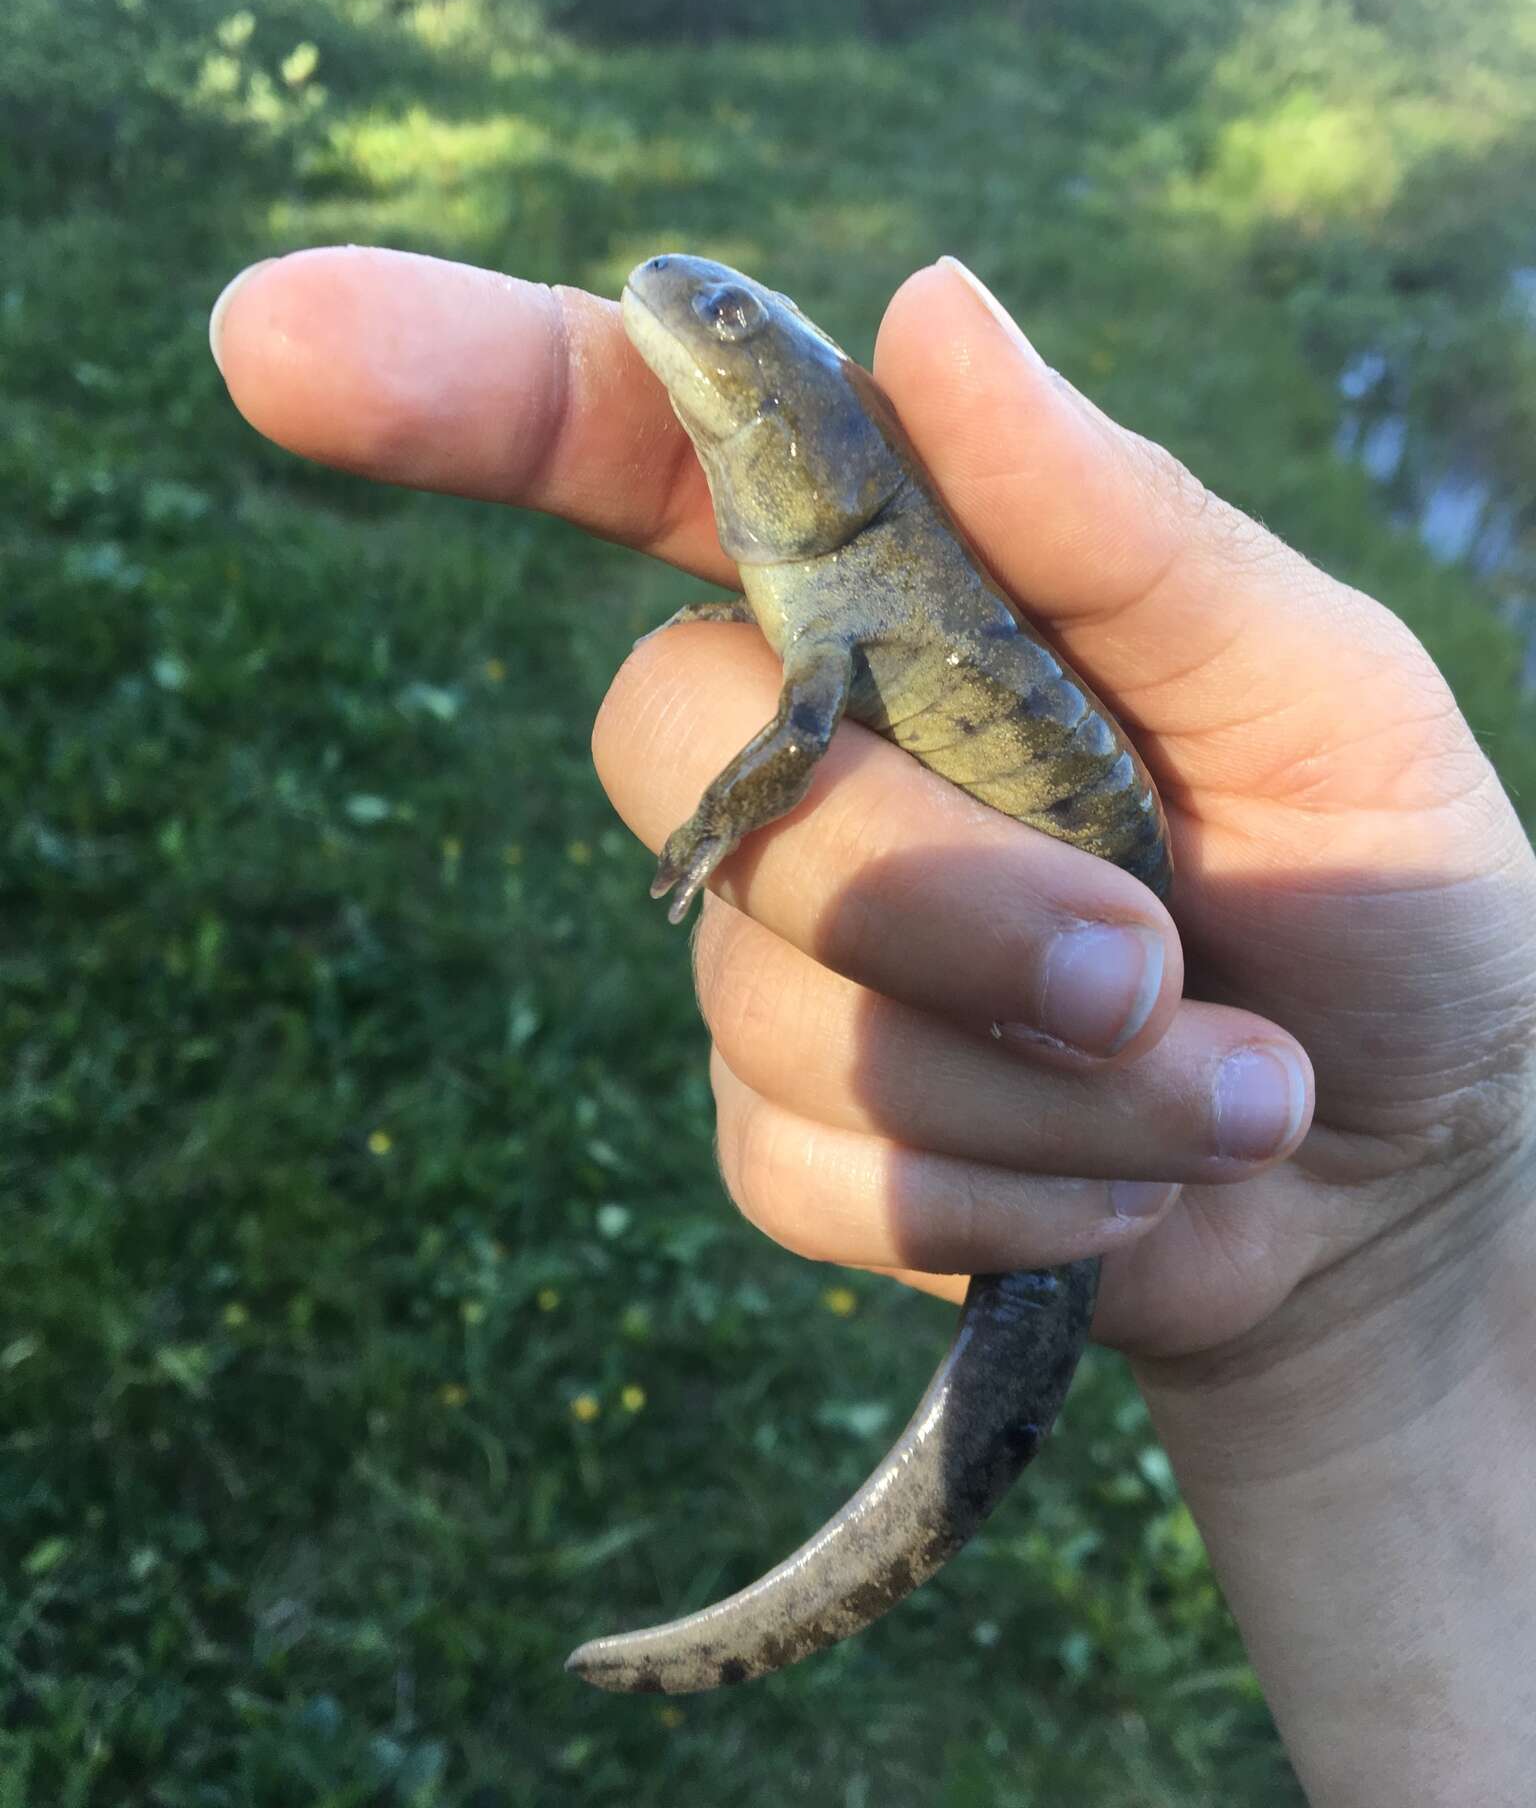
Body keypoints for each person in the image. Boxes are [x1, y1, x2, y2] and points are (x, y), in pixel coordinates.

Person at [211, 245, 1536, 1804]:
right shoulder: (835, 553)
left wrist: (714, 826)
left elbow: (794, 730)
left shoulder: (853, 579)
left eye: (735, 329)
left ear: (821, 435)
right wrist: (1379, 1301)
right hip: (1175, 1049)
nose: (702, 330)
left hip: (1162, 988)